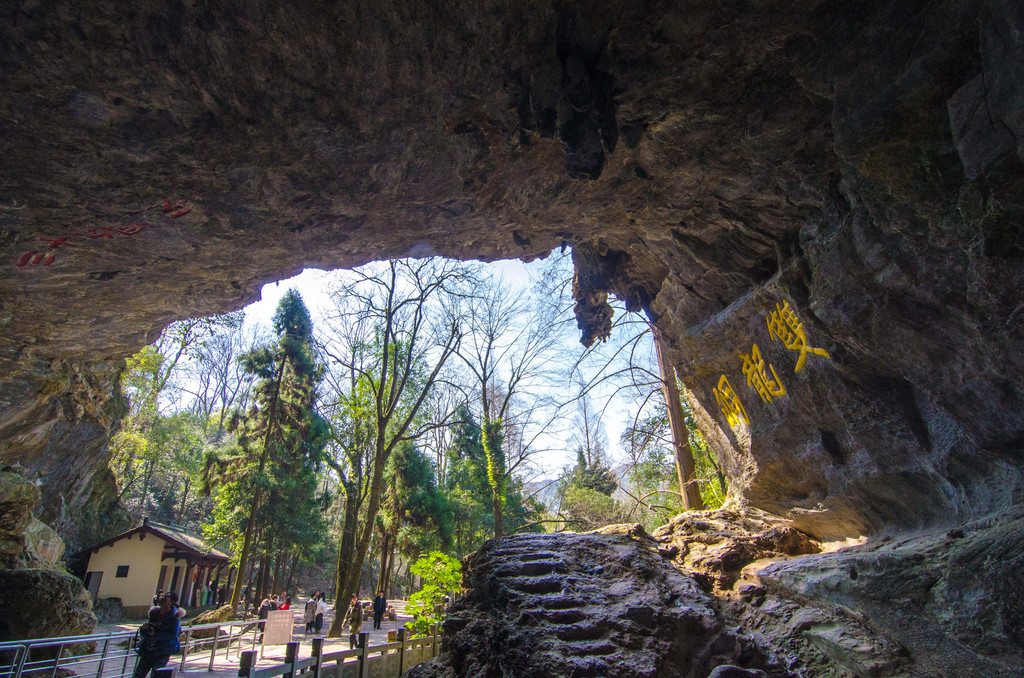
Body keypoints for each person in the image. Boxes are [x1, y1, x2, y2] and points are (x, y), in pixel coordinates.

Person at [133, 591, 185, 678]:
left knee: (156, 675)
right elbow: (145, 633)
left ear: (171, 602)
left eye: (166, 597)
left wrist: (156, 634)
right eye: (163, 596)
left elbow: (173, 634)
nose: (163, 598)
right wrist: (144, 629)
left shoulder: (174, 617)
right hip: (147, 650)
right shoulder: (154, 613)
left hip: (162, 652)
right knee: (138, 675)